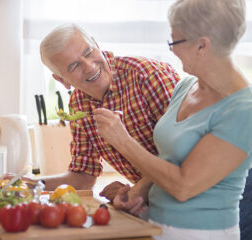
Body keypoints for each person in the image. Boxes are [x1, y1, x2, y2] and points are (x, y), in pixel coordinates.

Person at [94, 0, 251, 239]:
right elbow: (170, 159)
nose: (171, 49)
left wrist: (123, 141)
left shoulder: (243, 110)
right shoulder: (185, 86)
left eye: (174, 41)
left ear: (202, 45)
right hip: (156, 225)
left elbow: (183, 186)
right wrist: (138, 192)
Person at [11, 23, 179, 211]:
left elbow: (181, 152)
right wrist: (29, 184)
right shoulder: (78, 104)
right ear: (61, 80)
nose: (89, 67)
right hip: (157, 202)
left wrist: (137, 190)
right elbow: (83, 177)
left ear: (96, 44)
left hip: (191, 196)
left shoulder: (147, 76)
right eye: (74, 65)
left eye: (88, 52)